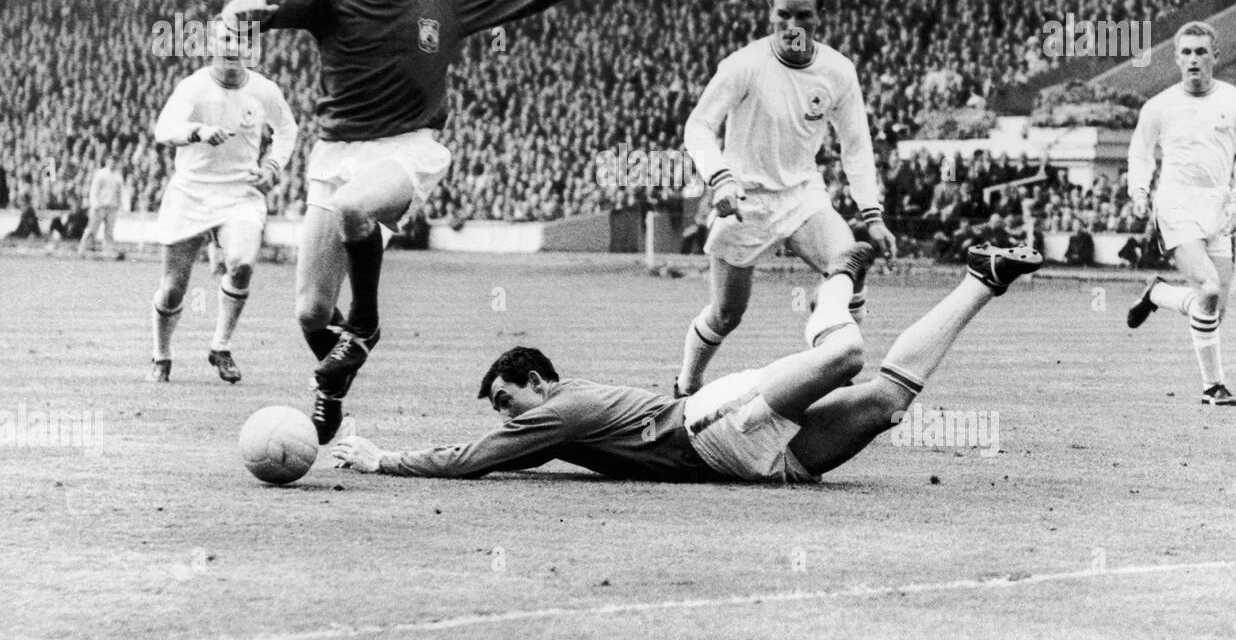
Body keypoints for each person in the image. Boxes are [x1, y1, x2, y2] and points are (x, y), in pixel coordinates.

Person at [220, 0, 615, 442]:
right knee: (310, 313)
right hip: (335, 152)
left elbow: (511, 1)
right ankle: (332, 390)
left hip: (407, 147)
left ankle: (364, 324)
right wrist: (245, 10)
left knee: (356, 209)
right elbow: (271, 2)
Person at [331, 243, 1042, 482]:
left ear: (538, 382)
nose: (509, 414)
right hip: (749, 465)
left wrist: (382, 459)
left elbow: (476, 456)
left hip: (713, 425)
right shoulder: (566, 414)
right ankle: (981, 278)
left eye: (506, 397)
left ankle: (835, 281)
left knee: (845, 352)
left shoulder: (563, 408)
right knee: (888, 403)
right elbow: (500, 451)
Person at [674, 0, 895, 397]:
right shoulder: (744, 65)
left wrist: (873, 214)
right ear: (770, 14)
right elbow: (698, 126)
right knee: (726, 314)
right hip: (746, 200)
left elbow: (856, 145)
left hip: (802, 197)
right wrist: (721, 182)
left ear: (820, 16)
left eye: (803, 16)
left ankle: (831, 365)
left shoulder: (837, 70)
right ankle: (686, 385)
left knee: (850, 265)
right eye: (783, 16)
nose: (792, 26)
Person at [148, 21, 298, 384]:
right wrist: (197, 131)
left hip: (239, 194)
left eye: (242, 40)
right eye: (226, 39)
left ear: (249, 48)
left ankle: (221, 346)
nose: (233, 46)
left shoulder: (263, 90)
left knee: (242, 264)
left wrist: (273, 165)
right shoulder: (194, 87)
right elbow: (164, 128)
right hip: (192, 192)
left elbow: (287, 130)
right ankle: (161, 355)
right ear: (212, 44)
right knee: (173, 288)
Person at [1125, 21, 1236, 406]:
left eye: (1201, 51)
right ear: (1176, 58)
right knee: (1210, 288)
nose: (1193, 59)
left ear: (1215, 55)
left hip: (1218, 206)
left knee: (1213, 311)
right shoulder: (1159, 105)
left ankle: (1160, 293)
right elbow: (1140, 152)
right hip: (1175, 204)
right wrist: (1138, 190)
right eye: (1186, 52)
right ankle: (1213, 388)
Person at [78, 154, 126, 259]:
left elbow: (120, 192)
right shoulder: (101, 174)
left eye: (115, 161)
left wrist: (121, 206)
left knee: (109, 231)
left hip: (112, 207)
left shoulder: (118, 176)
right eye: (111, 161)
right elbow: (94, 190)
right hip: (100, 206)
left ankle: (107, 251)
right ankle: (83, 249)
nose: (113, 163)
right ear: (107, 161)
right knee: (92, 229)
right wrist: (95, 203)